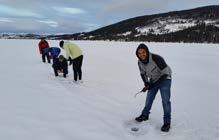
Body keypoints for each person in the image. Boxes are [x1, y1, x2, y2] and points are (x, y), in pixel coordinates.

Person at [135, 43, 172, 132]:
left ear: (147, 52)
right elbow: (142, 74)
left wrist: (153, 85)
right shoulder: (139, 62)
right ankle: (145, 115)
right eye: (139, 53)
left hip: (165, 78)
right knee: (149, 98)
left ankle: (167, 122)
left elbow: (165, 73)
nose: (141, 55)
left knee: (165, 101)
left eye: (143, 52)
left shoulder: (157, 58)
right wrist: (146, 83)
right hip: (153, 79)